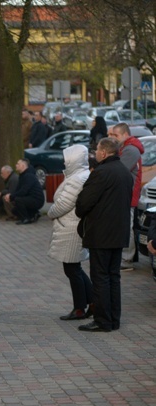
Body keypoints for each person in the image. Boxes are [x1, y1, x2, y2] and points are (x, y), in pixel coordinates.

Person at [75, 137, 133, 332]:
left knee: (100, 278)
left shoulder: (101, 173)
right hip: (119, 232)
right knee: (113, 277)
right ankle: (113, 319)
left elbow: (83, 203)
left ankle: (102, 321)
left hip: (101, 234)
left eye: (97, 149)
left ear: (104, 152)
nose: (95, 152)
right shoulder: (125, 172)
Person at [47, 145, 94, 320]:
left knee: (72, 269)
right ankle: (92, 302)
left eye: (67, 159)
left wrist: (51, 213)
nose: (64, 162)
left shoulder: (76, 179)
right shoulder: (79, 175)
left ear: (73, 160)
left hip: (71, 229)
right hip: (71, 227)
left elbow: (64, 204)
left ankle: (80, 307)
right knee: (74, 268)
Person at [111, 122, 144, 271]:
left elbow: (119, 170)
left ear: (125, 134)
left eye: (115, 135)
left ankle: (127, 260)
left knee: (127, 227)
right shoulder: (126, 148)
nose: (113, 138)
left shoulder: (130, 150)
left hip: (128, 195)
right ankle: (125, 258)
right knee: (124, 226)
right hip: (126, 194)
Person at [4, 159, 45, 225]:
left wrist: (11, 197)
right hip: (30, 198)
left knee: (18, 200)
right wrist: (10, 195)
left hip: (37, 200)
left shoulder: (28, 176)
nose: (16, 165)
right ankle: (34, 214)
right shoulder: (22, 175)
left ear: (23, 166)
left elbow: (23, 191)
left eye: (18, 164)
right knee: (14, 211)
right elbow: (18, 190)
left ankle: (26, 219)